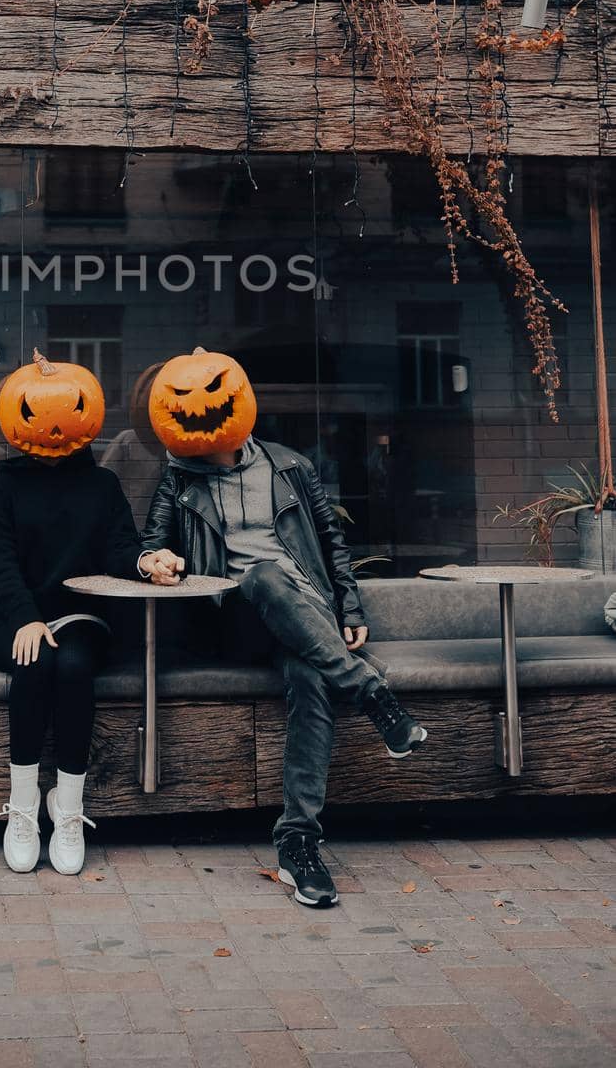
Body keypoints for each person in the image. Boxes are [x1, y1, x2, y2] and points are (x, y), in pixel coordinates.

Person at [139, 347, 428, 909]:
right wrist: (154, 562)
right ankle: (372, 693)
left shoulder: (291, 465)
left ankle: (298, 842)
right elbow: (151, 545)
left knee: (312, 679)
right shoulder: (177, 478)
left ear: (238, 401)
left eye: (212, 395)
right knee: (265, 577)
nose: (196, 410)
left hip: (306, 616)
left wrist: (349, 610)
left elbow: (332, 543)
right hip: (234, 621)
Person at [0, 349, 142, 876]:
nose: (51, 425)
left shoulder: (103, 486)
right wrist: (25, 617)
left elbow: (120, 551)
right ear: (16, 418)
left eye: (66, 409)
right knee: (34, 662)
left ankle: (67, 807)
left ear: (87, 415)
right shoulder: (4, 487)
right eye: (35, 412)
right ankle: (24, 806)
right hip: (12, 618)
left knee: (71, 667)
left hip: (79, 618)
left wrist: (146, 560)